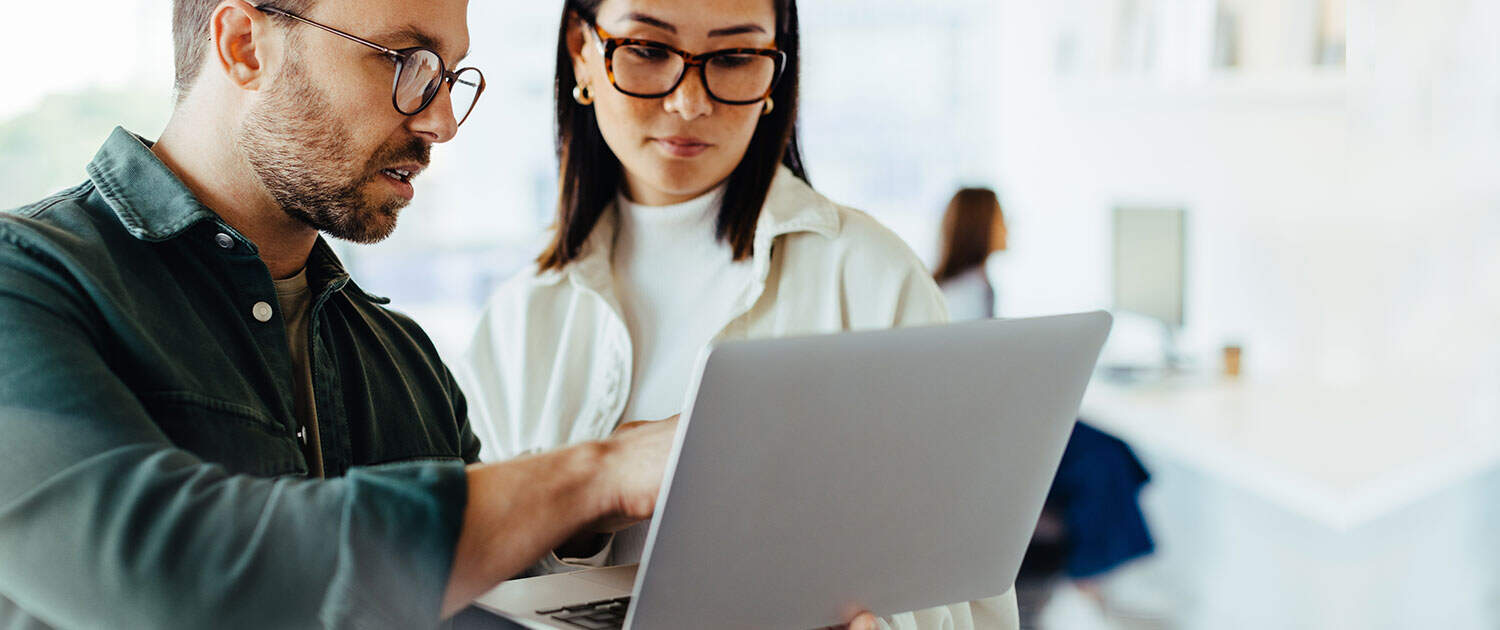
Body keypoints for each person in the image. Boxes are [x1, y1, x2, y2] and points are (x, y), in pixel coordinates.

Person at [0, 2, 888, 628]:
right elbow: (170, 574)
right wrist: (598, 474)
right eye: (406, 64)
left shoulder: (405, 362)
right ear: (244, 45)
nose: (442, 123)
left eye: (451, 77)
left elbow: (496, 616)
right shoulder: (28, 281)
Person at [458, 0, 1019, 628]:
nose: (689, 101)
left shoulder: (871, 278)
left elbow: (973, 599)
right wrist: (583, 509)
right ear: (581, 51)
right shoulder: (516, 324)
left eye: (734, 57)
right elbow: (462, 588)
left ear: (777, 71)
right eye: (648, 50)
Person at [933, 187, 1008, 322]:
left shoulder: (977, 285)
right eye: (1000, 219)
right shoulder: (965, 293)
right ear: (981, 227)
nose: (1006, 227)